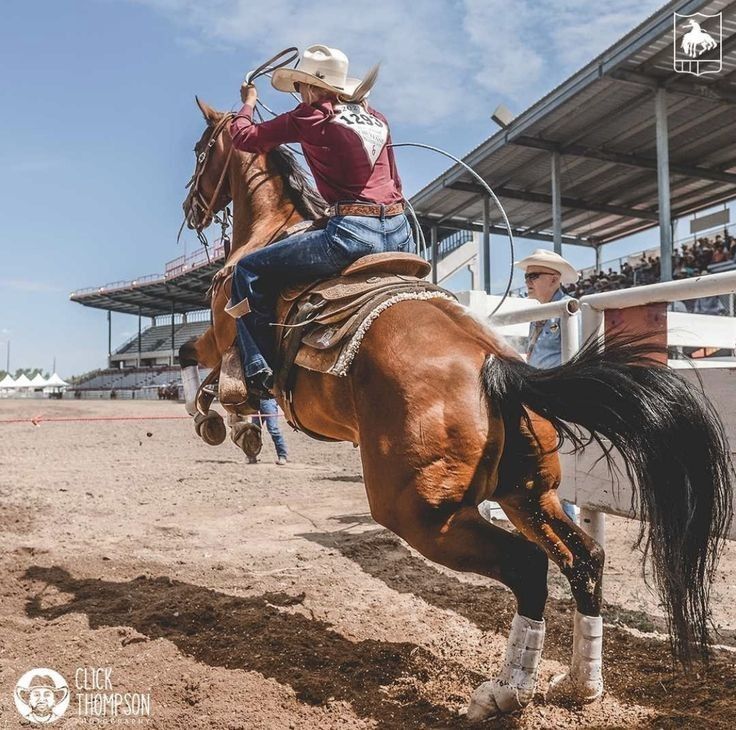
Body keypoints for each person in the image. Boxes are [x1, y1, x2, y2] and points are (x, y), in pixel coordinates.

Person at [226, 44, 413, 406]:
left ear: (311, 87)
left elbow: (243, 138)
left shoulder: (308, 117)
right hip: (400, 230)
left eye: (300, 87)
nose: (299, 94)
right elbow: (396, 182)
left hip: (352, 235)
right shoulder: (378, 118)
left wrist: (247, 103)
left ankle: (259, 367)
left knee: (247, 269)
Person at [515, 248, 580, 521]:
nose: (528, 281)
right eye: (528, 276)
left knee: (558, 459)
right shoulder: (541, 314)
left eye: (534, 275)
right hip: (539, 394)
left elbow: (575, 355)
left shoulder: (570, 310)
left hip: (557, 396)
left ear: (554, 279)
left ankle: (566, 518)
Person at [249, 398, 288, 465]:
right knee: (254, 430)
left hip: (268, 400)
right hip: (255, 401)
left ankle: (282, 456)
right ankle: (251, 455)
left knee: (273, 429)